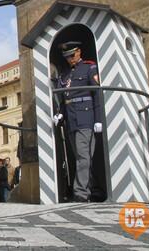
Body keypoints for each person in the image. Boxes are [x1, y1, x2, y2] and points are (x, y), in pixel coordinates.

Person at [53, 41, 101, 202]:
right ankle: (94, 189)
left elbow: (97, 95)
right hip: (72, 120)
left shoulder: (89, 68)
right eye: (67, 57)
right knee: (83, 157)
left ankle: (81, 192)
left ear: (79, 52)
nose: (70, 59)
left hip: (86, 118)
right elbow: (65, 98)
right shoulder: (65, 75)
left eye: (72, 55)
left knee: (83, 157)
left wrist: (98, 119)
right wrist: (61, 113)